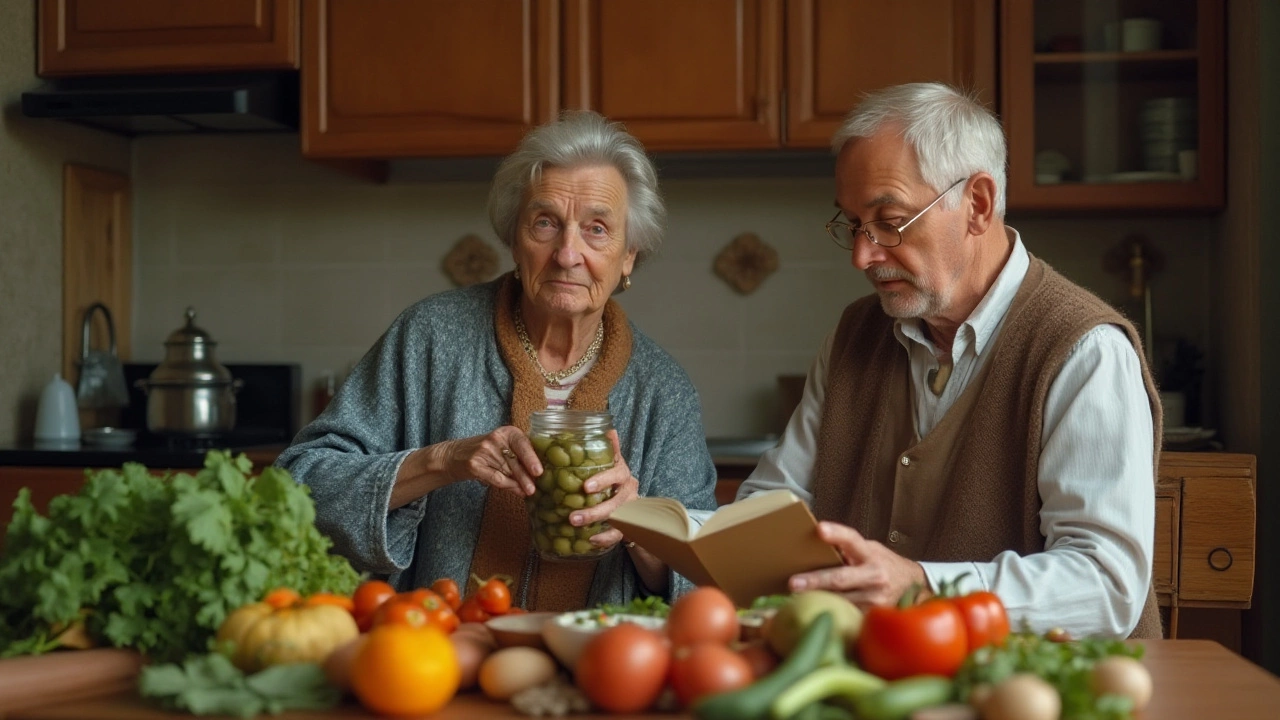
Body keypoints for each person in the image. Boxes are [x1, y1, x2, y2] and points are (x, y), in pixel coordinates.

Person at [738, 83, 1162, 639]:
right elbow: (773, 506)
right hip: (891, 679)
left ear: (978, 205)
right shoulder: (855, 336)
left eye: (890, 221)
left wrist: (919, 586)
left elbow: (1104, 587)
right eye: (853, 226)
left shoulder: (1085, 350)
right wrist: (654, 528)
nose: (864, 255)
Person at [277, 111, 718, 612]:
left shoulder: (665, 390)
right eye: (545, 223)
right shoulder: (430, 337)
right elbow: (300, 486)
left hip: (598, 668)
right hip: (432, 656)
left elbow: (704, 579)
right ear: (513, 238)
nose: (567, 254)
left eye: (597, 229)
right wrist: (442, 461)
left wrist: (638, 524)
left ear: (629, 255)